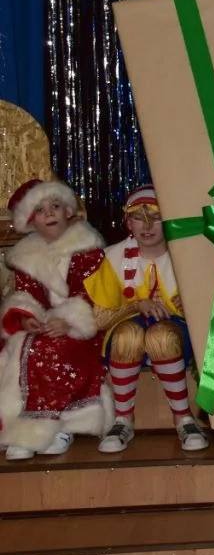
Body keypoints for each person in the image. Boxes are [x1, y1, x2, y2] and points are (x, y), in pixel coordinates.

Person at [84, 185, 207, 453]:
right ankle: (123, 420)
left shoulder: (186, 255)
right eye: (139, 217)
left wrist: (187, 306)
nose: (147, 226)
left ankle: (184, 418)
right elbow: (99, 319)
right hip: (129, 328)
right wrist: (136, 305)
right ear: (128, 222)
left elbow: (212, 308)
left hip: (180, 330)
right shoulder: (113, 257)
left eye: (156, 217)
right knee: (127, 336)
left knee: (161, 336)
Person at [0, 179, 111, 460]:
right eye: (40, 210)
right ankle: (21, 427)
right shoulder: (26, 256)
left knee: (50, 349)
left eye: (55, 206)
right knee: (21, 347)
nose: (49, 213)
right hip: (45, 327)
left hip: (85, 329)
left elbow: (94, 295)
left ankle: (61, 425)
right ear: (30, 220)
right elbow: (26, 295)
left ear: (68, 211)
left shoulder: (88, 248)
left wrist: (69, 321)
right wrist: (28, 318)